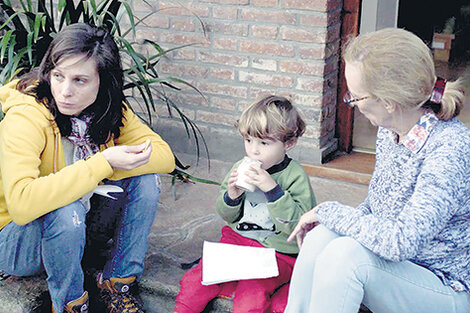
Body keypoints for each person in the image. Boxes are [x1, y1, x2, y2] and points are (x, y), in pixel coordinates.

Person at [284, 27, 470, 313]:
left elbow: (401, 241)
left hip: (444, 285)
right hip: (400, 269)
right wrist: (332, 221)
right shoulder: (390, 131)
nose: (353, 105)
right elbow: (376, 208)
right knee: (322, 236)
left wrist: (328, 211)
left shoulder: (450, 148)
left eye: (356, 97)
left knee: (347, 257)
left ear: (388, 101)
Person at [0, 23, 175, 313]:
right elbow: (22, 203)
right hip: (15, 242)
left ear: (102, 82)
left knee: (145, 179)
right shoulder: (26, 117)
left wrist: (107, 167)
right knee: (63, 205)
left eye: (80, 80)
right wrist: (100, 163)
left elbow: (164, 156)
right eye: (58, 76)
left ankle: (117, 284)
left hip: (76, 231)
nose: (65, 91)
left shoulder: (108, 110)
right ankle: (70, 305)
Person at [173, 95, 317, 313]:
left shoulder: (294, 176)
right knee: (196, 281)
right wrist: (232, 196)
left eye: (264, 143)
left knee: (253, 294)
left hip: (277, 252)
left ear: (289, 143)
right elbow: (227, 215)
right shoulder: (241, 166)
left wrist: (273, 190)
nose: (254, 151)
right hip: (238, 242)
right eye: (248, 140)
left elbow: (297, 225)